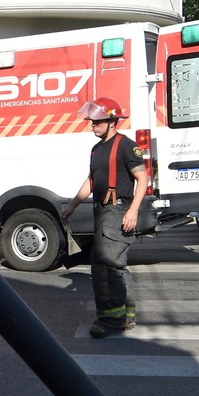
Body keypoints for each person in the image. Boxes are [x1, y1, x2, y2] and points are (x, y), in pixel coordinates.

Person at [61, 97, 147, 337]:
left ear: (112, 121)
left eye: (97, 122)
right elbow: (91, 181)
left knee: (105, 266)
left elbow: (143, 178)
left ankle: (111, 321)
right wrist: (72, 206)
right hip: (102, 211)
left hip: (117, 210)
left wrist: (133, 210)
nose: (93, 126)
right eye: (92, 121)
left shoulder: (126, 145)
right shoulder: (97, 149)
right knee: (116, 266)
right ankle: (126, 316)